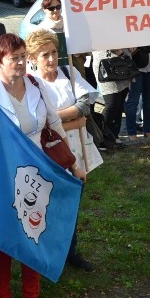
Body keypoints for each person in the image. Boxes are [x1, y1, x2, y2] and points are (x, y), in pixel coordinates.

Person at [0, 34, 85, 298]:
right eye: (15, 58)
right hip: (5, 176)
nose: (22, 63)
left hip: (38, 173)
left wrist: (72, 162)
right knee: (4, 241)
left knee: (35, 233)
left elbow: (55, 124)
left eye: (23, 56)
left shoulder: (36, 85)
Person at [25, 30, 99, 272]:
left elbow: (85, 105)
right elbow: (41, 123)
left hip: (76, 150)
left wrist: (58, 118)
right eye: (44, 54)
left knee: (73, 204)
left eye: (54, 52)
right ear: (33, 58)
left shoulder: (69, 73)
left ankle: (71, 251)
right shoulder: (31, 83)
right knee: (49, 206)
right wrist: (71, 121)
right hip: (49, 153)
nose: (51, 58)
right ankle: (48, 254)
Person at [92, 48, 136, 145]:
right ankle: (100, 137)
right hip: (105, 64)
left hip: (123, 62)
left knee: (119, 104)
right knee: (111, 104)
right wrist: (118, 49)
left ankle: (114, 136)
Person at [124, 45, 150, 139]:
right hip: (135, 67)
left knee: (149, 101)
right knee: (133, 101)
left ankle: (148, 131)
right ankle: (131, 133)